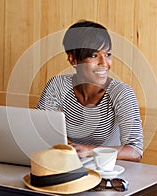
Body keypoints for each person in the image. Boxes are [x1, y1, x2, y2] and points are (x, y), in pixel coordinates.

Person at [35, 20, 143, 162]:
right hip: (72, 168)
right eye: (93, 55)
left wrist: (89, 150)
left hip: (111, 173)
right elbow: (37, 130)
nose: (104, 63)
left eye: (108, 54)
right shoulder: (58, 85)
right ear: (73, 60)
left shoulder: (122, 93)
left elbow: (135, 152)